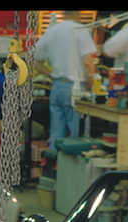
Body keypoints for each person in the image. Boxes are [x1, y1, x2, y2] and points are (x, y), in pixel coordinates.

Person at [34, 10, 97, 143]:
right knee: (78, 137)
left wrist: (51, 75)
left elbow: (33, 59)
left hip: (57, 87)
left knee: (56, 135)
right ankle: (76, 157)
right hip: (75, 89)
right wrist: (94, 87)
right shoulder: (80, 30)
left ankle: (54, 156)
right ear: (78, 14)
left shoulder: (52, 31)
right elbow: (87, 63)